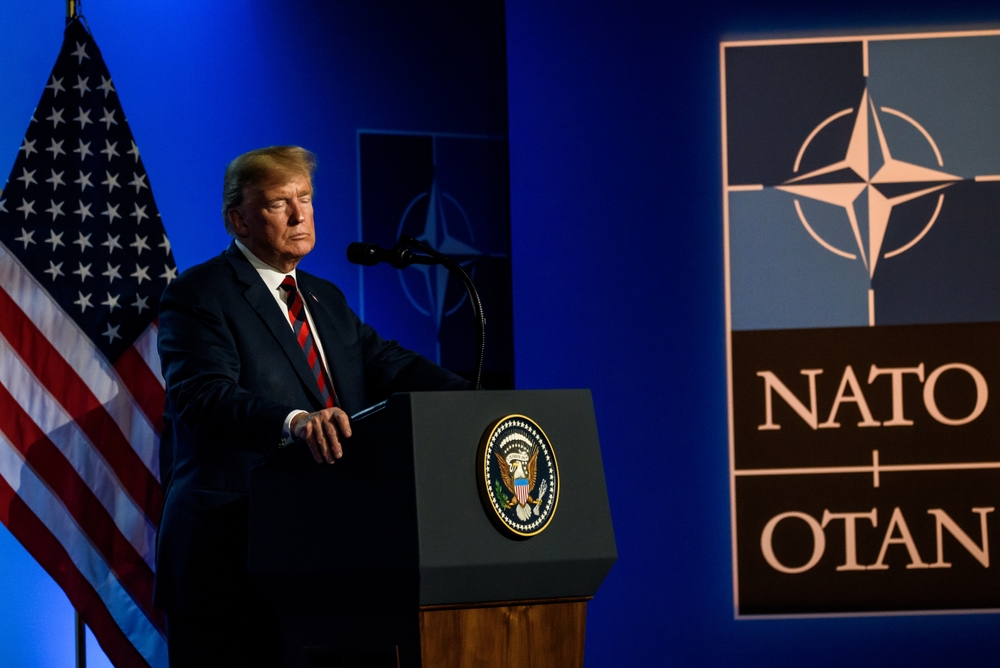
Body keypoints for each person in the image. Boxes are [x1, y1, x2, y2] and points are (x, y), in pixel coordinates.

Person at [153, 146, 469, 666]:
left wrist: (473, 403)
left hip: (324, 561)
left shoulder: (325, 298)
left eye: (305, 198)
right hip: (231, 563)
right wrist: (295, 423)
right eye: (280, 203)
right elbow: (202, 396)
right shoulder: (200, 294)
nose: (300, 215)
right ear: (239, 220)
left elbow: (387, 363)